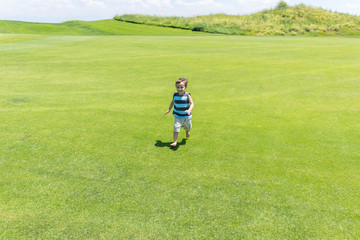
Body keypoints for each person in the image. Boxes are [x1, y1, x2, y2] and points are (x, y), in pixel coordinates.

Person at [165, 77, 194, 147]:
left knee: (188, 127)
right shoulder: (175, 95)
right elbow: (172, 102)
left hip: (186, 116)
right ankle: (175, 142)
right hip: (178, 115)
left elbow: (192, 103)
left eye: (181, 87)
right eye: (178, 87)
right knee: (176, 128)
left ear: (186, 87)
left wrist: (189, 110)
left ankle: (187, 131)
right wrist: (169, 109)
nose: (180, 89)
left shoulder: (187, 95)